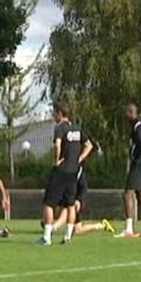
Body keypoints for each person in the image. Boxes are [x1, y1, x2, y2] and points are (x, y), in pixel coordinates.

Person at [38, 104, 93, 246]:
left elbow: (57, 145)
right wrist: (78, 159)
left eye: (54, 113)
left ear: (60, 114)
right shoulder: (76, 128)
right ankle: (67, 236)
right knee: (70, 204)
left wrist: (56, 161)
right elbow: (89, 145)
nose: (53, 116)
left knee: (48, 203)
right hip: (74, 172)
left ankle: (47, 238)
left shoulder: (60, 128)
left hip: (61, 171)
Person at [116, 104, 141, 238]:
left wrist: (137, 157)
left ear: (131, 113)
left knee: (128, 193)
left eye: (127, 113)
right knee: (140, 193)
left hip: (139, 163)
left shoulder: (138, 126)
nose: (126, 116)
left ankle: (129, 228)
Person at [49, 166, 116, 235]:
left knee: (67, 210)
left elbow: (83, 187)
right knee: (78, 229)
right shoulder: (60, 169)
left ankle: (53, 227)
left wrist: (79, 200)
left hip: (75, 201)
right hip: (67, 199)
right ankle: (102, 226)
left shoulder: (78, 170)